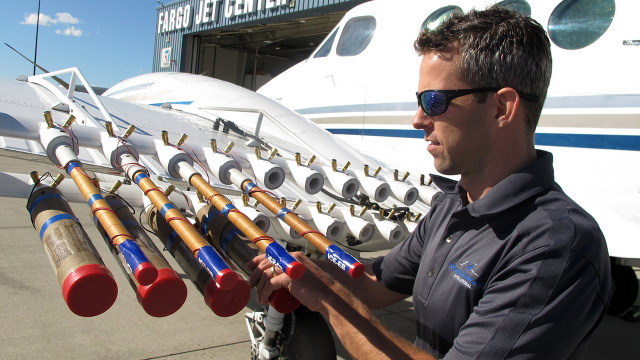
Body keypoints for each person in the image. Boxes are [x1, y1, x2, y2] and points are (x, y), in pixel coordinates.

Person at [249, 6, 611, 359]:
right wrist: (305, 270)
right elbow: (378, 283)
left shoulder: (556, 246)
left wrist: (326, 296)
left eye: (434, 101)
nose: (417, 119)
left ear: (502, 108)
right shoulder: (453, 204)